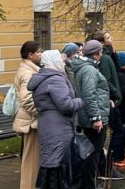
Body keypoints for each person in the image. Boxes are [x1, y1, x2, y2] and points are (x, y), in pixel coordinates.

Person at [28, 50, 84, 189]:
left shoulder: (44, 78)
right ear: (53, 61)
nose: (62, 62)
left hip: (49, 125)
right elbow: (66, 105)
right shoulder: (55, 79)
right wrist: (81, 101)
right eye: (59, 59)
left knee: (50, 163)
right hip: (59, 128)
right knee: (57, 165)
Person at [70, 40, 111, 189]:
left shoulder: (84, 68)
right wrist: (96, 118)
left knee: (89, 152)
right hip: (92, 119)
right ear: (96, 54)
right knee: (92, 153)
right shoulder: (89, 70)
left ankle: (87, 183)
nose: (102, 54)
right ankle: (88, 185)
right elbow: (89, 95)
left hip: (86, 116)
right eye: (100, 52)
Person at [90, 30, 124, 181]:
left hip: (112, 98)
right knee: (116, 132)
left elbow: (118, 69)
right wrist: (114, 94)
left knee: (114, 133)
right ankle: (106, 167)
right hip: (108, 100)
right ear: (102, 43)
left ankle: (106, 166)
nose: (112, 38)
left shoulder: (108, 55)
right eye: (109, 37)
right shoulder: (102, 58)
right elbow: (104, 80)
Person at [13, 40, 42, 189]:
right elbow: (26, 98)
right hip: (30, 123)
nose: (40, 54)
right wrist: (40, 112)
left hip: (30, 121)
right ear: (30, 55)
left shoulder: (29, 69)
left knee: (32, 160)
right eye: (38, 52)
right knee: (31, 161)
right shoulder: (28, 72)